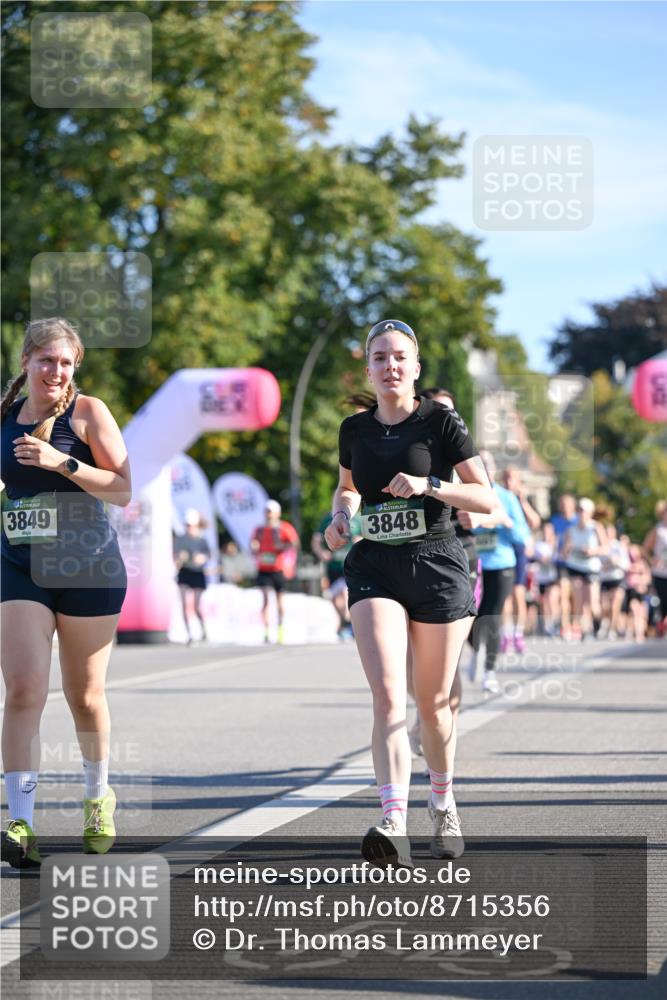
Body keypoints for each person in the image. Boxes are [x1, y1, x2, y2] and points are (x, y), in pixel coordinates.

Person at [325, 319, 494, 866]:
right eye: (379, 358)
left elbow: (487, 499)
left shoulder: (440, 422)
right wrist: (340, 517)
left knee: (434, 706)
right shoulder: (354, 428)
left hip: (439, 563)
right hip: (375, 563)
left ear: (415, 368)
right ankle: (392, 820)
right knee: (386, 695)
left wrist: (430, 485)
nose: (390, 366)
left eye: (399, 357)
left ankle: (442, 801)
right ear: (369, 368)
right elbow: (348, 488)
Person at [1, 317, 130, 869]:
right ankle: (19, 821)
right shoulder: (5, 419)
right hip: (20, 565)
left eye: (66, 363)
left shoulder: (88, 414)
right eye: (46, 360)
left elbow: (124, 489)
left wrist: (63, 462)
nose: (56, 371)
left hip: (88, 567)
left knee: (85, 696)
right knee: (25, 690)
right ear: (26, 361)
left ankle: (98, 797)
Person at [459, 450, 529, 693]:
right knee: (468, 618)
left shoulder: (505, 497)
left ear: (492, 469)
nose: (481, 469)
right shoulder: (462, 493)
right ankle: (476, 650)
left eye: (485, 465)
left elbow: (522, 535)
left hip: (501, 564)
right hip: (472, 564)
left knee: (491, 615)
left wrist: (499, 523)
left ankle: (489, 671)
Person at [499, 466, 540, 653]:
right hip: (502, 548)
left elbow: (535, 522)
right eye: (506, 478)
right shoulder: (498, 496)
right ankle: (506, 634)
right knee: (505, 595)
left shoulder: (520, 499)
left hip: (519, 549)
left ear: (518, 481)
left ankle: (518, 633)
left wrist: (522, 500)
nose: (509, 482)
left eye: (512, 478)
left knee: (518, 593)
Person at [251, 499, 299, 644]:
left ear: (277, 513)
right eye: (266, 512)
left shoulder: (284, 528)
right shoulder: (259, 529)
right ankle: (266, 632)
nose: (268, 515)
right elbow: (253, 543)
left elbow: (294, 543)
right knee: (265, 599)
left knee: (279, 602)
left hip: (278, 569)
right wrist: (255, 547)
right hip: (263, 568)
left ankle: (280, 631)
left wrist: (282, 547)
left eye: (270, 512)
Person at [311, 510, 362, 641]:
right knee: (334, 598)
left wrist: (360, 542)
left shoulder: (358, 519)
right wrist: (321, 552)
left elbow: (368, 539)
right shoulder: (328, 519)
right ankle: (346, 622)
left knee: (345, 594)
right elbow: (316, 540)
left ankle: (349, 625)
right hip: (332, 566)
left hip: (350, 564)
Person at [562, 498, 607, 640]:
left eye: (584, 511)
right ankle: (582, 630)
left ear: (590, 513)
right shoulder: (571, 529)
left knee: (593, 602)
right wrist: (567, 550)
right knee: (579, 600)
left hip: (591, 567)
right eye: (579, 510)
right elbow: (565, 550)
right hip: (575, 566)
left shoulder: (595, 527)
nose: (581, 513)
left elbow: (605, 547)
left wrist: (593, 551)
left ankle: (598, 624)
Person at [174, 508, 211, 644]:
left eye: (190, 525)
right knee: (183, 604)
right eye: (186, 525)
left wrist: (202, 558)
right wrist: (179, 558)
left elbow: (208, 555)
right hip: (185, 571)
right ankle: (189, 634)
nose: (188, 527)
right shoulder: (180, 539)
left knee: (196, 606)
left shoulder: (202, 539)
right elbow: (175, 558)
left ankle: (203, 629)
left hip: (198, 573)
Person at [550, 494, 578, 640]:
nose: (564, 507)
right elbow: (551, 538)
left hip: (578, 564)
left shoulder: (578, 521)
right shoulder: (555, 521)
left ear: (573, 505)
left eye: (567, 504)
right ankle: (564, 626)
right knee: (563, 595)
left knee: (575, 598)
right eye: (562, 504)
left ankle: (576, 625)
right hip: (562, 563)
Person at [642, 500, 667, 636]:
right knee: (663, 601)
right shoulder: (658, 530)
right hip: (660, 573)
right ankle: (661, 626)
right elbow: (644, 549)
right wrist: (652, 560)